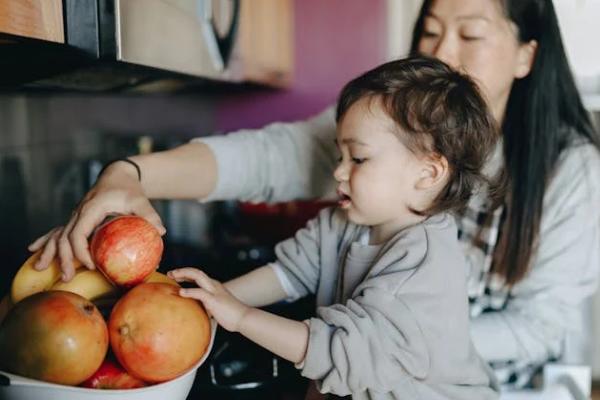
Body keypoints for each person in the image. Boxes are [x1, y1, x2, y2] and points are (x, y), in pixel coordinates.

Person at [29, 0, 600, 390]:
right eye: (429, 27)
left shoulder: (566, 170)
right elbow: (282, 193)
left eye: (471, 33)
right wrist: (133, 175)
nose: (442, 50)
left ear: (528, 53)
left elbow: (535, 327)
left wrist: (388, 335)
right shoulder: (372, 163)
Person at [168, 56, 501, 399]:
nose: (339, 172)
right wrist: (212, 302)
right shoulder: (343, 223)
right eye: (340, 156)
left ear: (427, 174)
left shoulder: (423, 267)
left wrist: (240, 317)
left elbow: (337, 352)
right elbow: (289, 273)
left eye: (358, 158)